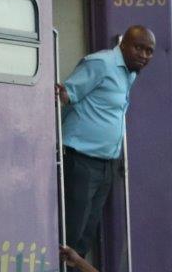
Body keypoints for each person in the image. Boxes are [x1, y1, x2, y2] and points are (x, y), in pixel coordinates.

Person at [56, 25, 157, 260]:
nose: (144, 55)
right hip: (81, 160)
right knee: (71, 234)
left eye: (149, 51)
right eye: (138, 48)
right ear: (123, 45)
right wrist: (60, 92)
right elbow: (67, 95)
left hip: (106, 165)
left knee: (85, 236)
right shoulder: (101, 63)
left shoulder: (129, 73)